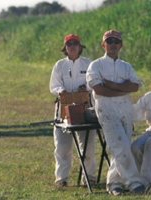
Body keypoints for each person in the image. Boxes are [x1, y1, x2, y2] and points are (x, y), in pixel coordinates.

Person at [86, 30, 144, 196]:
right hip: (106, 107)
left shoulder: (126, 66)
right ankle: (134, 183)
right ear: (103, 45)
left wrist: (111, 85)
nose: (112, 44)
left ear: (121, 45)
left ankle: (114, 184)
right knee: (120, 146)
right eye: (109, 41)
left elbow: (135, 86)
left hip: (125, 107)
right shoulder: (95, 65)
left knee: (121, 145)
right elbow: (98, 89)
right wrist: (121, 88)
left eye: (116, 42)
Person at [50, 34, 97, 186]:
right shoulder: (59, 65)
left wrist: (86, 87)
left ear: (80, 46)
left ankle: (89, 177)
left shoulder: (88, 63)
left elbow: (94, 82)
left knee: (88, 146)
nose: (72, 46)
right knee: (62, 147)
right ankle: (62, 179)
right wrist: (60, 90)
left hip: (84, 108)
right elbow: (54, 85)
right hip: (64, 109)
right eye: (69, 44)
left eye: (75, 43)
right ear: (65, 48)